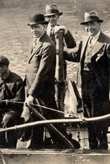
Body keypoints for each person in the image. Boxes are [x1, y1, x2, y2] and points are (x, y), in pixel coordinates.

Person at [64, 11, 110, 149]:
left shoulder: (109, 43)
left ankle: (103, 143)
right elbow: (75, 55)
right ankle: (92, 143)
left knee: (99, 116)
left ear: (99, 24)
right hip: (85, 85)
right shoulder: (84, 40)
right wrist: (58, 49)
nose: (90, 28)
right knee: (87, 114)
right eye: (87, 25)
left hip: (100, 87)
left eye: (93, 24)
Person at [21, 13, 77, 149]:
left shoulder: (48, 46)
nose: (34, 30)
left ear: (44, 26)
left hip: (42, 90)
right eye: (32, 27)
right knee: (38, 118)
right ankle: (36, 144)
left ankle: (65, 145)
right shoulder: (35, 41)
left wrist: (32, 94)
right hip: (33, 87)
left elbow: (42, 72)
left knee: (50, 119)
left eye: (37, 27)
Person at [0, 56, 24, 148]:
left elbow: (19, 101)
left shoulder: (17, 80)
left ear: (4, 68)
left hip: (12, 110)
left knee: (7, 119)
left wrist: (4, 102)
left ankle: (11, 146)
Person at [44, 4, 76, 79]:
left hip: (60, 66)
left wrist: (66, 32)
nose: (51, 19)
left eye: (53, 16)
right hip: (45, 66)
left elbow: (72, 47)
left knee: (61, 87)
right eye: (49, 17)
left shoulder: (62, 30)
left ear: (58, 17)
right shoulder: (42, 30)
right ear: (46, 18)